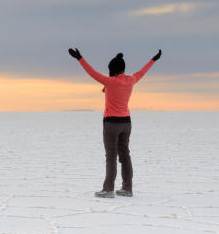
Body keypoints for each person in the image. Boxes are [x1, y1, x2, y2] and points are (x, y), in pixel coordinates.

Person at [68, 47, 162, 197]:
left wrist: (79, 58)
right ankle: (127, 188)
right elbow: (142, 72)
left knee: (111, 156)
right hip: (126, 123)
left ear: (112, 69)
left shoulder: (110, 82)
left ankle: (108, 190)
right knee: (125, 155)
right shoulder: (131, 80)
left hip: (111, 123)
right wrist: (153, 60)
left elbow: (92, 72)